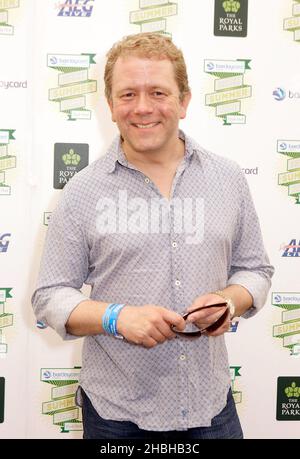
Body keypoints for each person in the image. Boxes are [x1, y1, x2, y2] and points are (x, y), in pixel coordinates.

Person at [32, 32, 274, 440]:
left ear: (184, 101)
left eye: (158, 92)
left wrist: (229, 302)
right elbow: (50, 296)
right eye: (127, 94)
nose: (143, 107)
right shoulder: (82, 191)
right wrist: (117, 318)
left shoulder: (228, 179)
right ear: (110, 106)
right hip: (115, 418)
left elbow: (256, 270)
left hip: (211, 409)